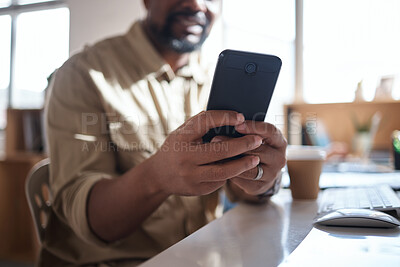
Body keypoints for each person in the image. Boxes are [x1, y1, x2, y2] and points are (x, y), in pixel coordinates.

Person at [43, 0, 287, 266]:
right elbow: (89, 220)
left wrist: (263, 180)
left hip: (201, 257)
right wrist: (157, 177)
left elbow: (239, 189)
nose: (196, 3)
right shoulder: (83, 74)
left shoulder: (216, 78)